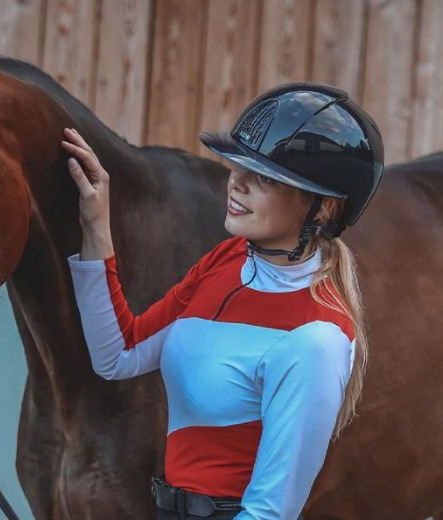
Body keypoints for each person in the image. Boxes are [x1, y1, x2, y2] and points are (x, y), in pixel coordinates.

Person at [61, 82, 384, 520]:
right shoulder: (229, 258)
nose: (238, 182)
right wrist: (96, 224)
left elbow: (270, 513)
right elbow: (118, 353)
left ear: (322, 208)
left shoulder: (318, 340)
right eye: (238, 164)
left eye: (266, 178)